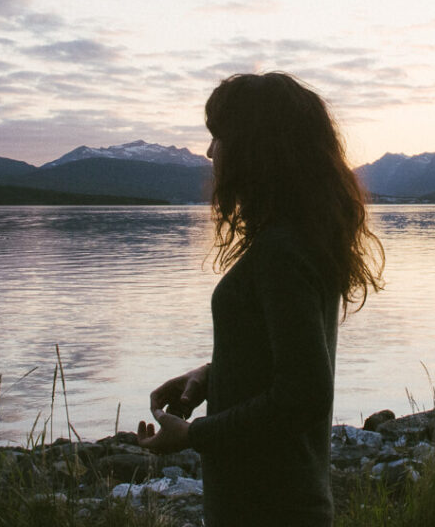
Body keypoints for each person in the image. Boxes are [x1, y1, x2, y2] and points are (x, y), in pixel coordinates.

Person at [136, 72, 384, 526]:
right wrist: (212, 374)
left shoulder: (281, 251)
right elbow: (287, 358)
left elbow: (304, 393)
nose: (210, 152)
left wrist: (193, 434)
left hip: (269, 506)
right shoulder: (296, 240)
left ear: (256, 148)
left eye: (219, 137)